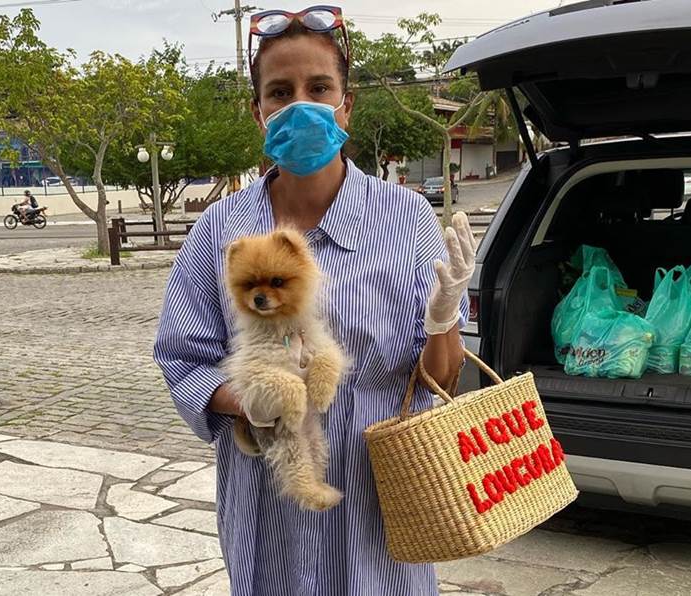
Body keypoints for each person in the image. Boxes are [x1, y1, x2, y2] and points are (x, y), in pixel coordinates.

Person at [154, 6, 473, 594]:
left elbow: (442, 379)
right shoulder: (219, 231)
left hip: (382, 499)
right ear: (258, 112)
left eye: (319, 87)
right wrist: (250, 401)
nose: (300, 104)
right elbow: (181, 356)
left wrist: (445, 314)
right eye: (280, 91)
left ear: (345, 105)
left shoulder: (408, 220)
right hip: (269, 492)